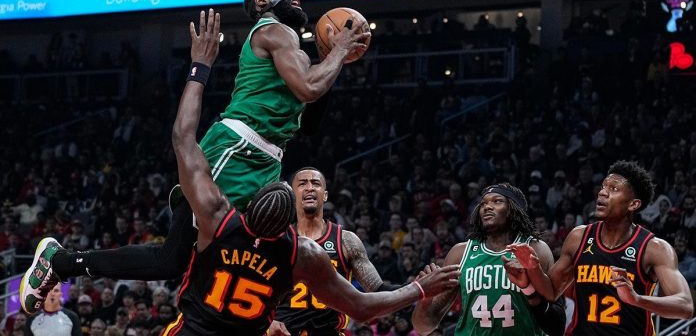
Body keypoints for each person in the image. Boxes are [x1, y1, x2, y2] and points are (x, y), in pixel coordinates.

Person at [20, 0, 369, 314]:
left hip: (266, 161)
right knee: (173, 257)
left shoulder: (298, 54)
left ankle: (70, 264)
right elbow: (309, 89)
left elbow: (309, 123)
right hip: (236, 148)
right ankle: (63, 262)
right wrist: (338, 51)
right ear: (263, 1)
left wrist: (332, 61)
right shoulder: (273, 30)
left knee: (221, 257)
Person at [164, 9, 460, 334]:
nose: (306, 188)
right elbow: (363, 307)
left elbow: (182, 137)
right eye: (299, 183)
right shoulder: (300, 252)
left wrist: (200, 66)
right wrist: (417, 289)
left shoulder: (219, 220)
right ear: (287, 218)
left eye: (313, 183)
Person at [507, 161, 694, 335]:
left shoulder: (654, 248)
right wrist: (533, 268)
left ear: (633, 204)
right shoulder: (579, 237)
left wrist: (636, 299)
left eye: (614, 189)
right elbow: (551, 291)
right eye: (604, 186)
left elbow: (685, 306)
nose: (602, 192)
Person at [411, 183, 566, 336]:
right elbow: (424, 327)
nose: (487, 206)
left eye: (497, 201)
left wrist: (530, 288)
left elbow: (557, 324)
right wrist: (425, 300)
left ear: (514, 210)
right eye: (483, 203)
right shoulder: (460, 253)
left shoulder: (536, 249)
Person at [269, 167, 405, 336]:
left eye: (316, 183)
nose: (310, 187)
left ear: (325, 195)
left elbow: (378, 290)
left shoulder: (346, 240)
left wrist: (415, 287)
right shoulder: (278, 239)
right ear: (292, 194)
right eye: (302, 183)